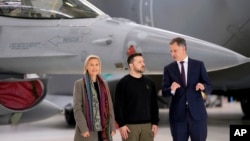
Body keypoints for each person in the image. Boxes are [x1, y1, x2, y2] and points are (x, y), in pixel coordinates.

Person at [162, 37, 212, 141]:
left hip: (197, 116)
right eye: (171, 51)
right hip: (178, 117)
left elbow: (209, 86)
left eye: (175, 50)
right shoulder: (168, 69)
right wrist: (171, 89)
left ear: (184, 48)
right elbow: (164, 92)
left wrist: (203, 87)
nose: (172, 54)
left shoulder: (198, 65)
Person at [114, 53, 159, 141]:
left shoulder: (150, 82)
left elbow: (154, 104)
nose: (143, 64)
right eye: (139, 62)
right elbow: (118, 106)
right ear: (131, 65)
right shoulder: (123, 83)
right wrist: (121, 125)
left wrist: (155, 123)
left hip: (147, 126)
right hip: (129, 127)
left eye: (143, 61)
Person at [73, 55, 116, 141]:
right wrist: (83, 128)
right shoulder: (79, 84)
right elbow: (77, 108)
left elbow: (109, 107)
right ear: (86, 66)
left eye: (97, 64)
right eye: (91, 65)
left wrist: (112, 126)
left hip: (104, 129)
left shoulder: (104, 84)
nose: (94, 67)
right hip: (88, 130)